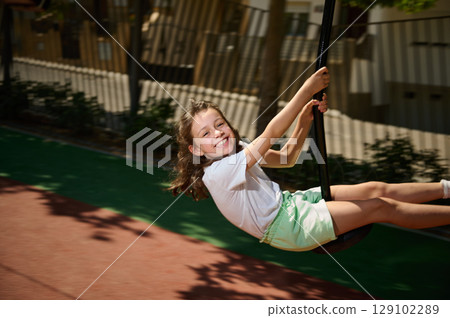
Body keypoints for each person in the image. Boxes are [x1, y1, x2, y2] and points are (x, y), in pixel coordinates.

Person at [169, 67, 450, 252]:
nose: (217, 133)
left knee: (376, 188)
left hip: (293, 203)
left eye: (219, 124)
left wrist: (304, 119)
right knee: (380, 206)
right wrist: (305, 89)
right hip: (288, 227)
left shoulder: (238, 149)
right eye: (205, 133)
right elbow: (271, 133)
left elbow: (289, 157)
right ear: (196, 150)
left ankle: (445, 188)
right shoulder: (217, 173)